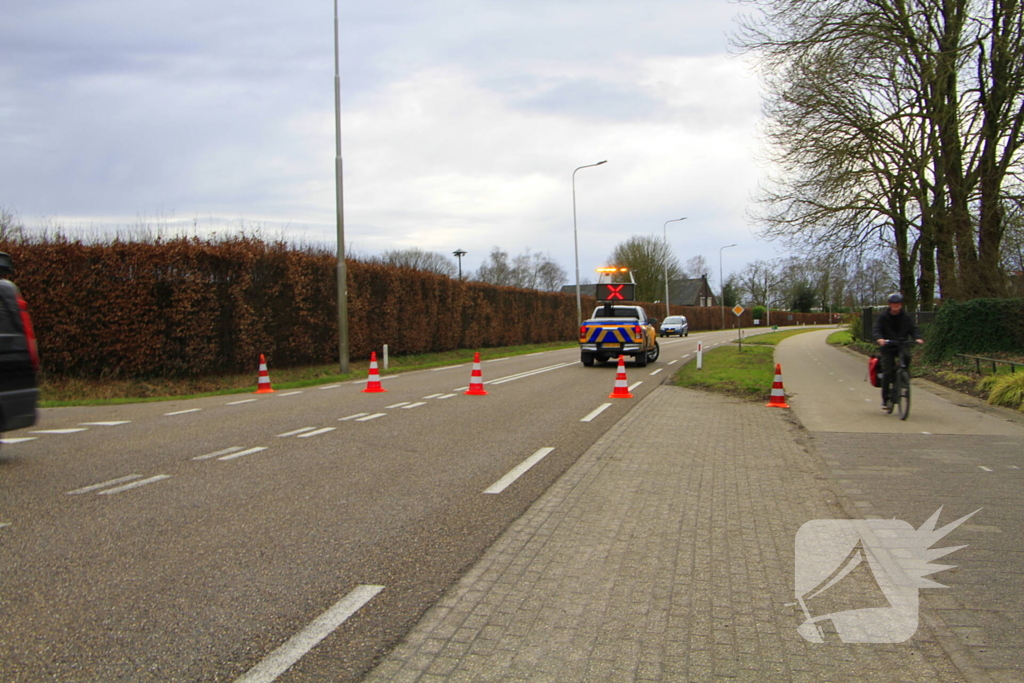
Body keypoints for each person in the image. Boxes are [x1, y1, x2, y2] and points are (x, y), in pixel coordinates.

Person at [871, 293, 924, 409]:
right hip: (888, 346)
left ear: (901, 305)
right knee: (887, 372)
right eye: (894, 304)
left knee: (907, 356)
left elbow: (913, 328)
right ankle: (885, 399)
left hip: (901, 344)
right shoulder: (883, 317)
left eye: (898, 304)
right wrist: (879, 338)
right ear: (890, 305)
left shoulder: (906, 317)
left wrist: (917, 338)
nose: (896, 306)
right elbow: (876, 329)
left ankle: (904, 375)